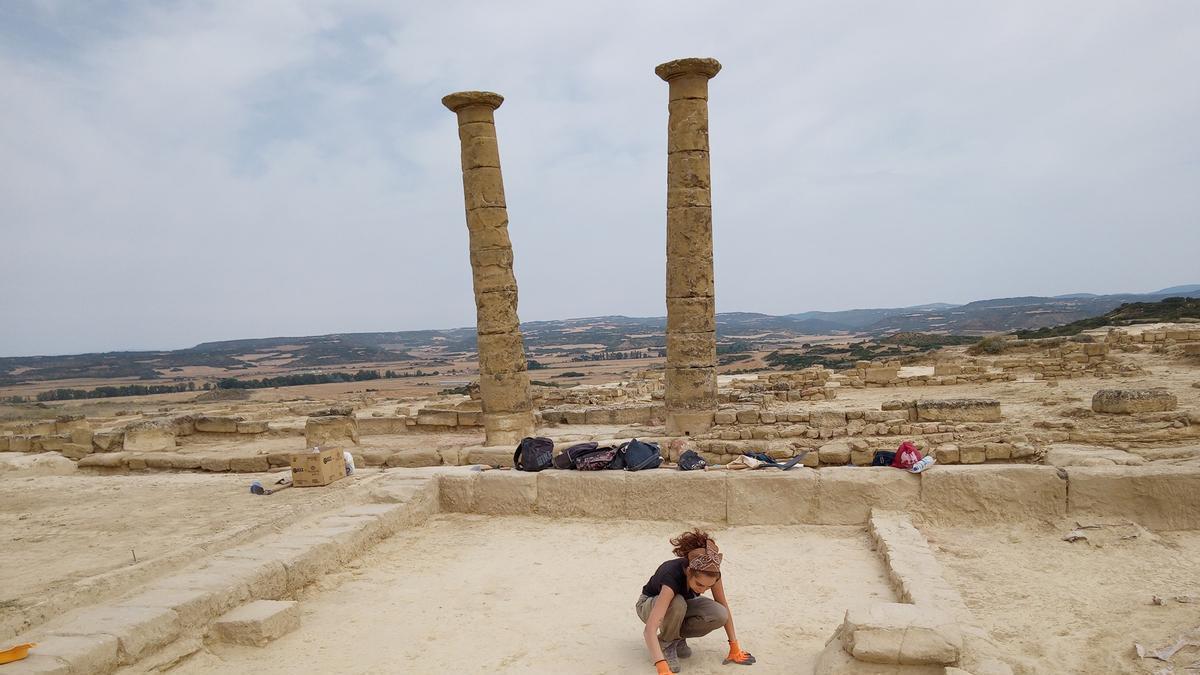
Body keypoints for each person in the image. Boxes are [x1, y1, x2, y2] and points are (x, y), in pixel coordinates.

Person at [636, 529, 756, 673]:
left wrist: (734, 647)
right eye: (699, 584)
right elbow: (649, 629)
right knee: (678, 602)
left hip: (680, 607)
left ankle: (677, 638)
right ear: (688, 571)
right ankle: (666, 643)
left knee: (720, 613)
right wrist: (660, 665)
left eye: (709, 586)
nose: (703, 590)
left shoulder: (711, 572)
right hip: (649, 606)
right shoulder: (671, 575)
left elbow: (723, 605)